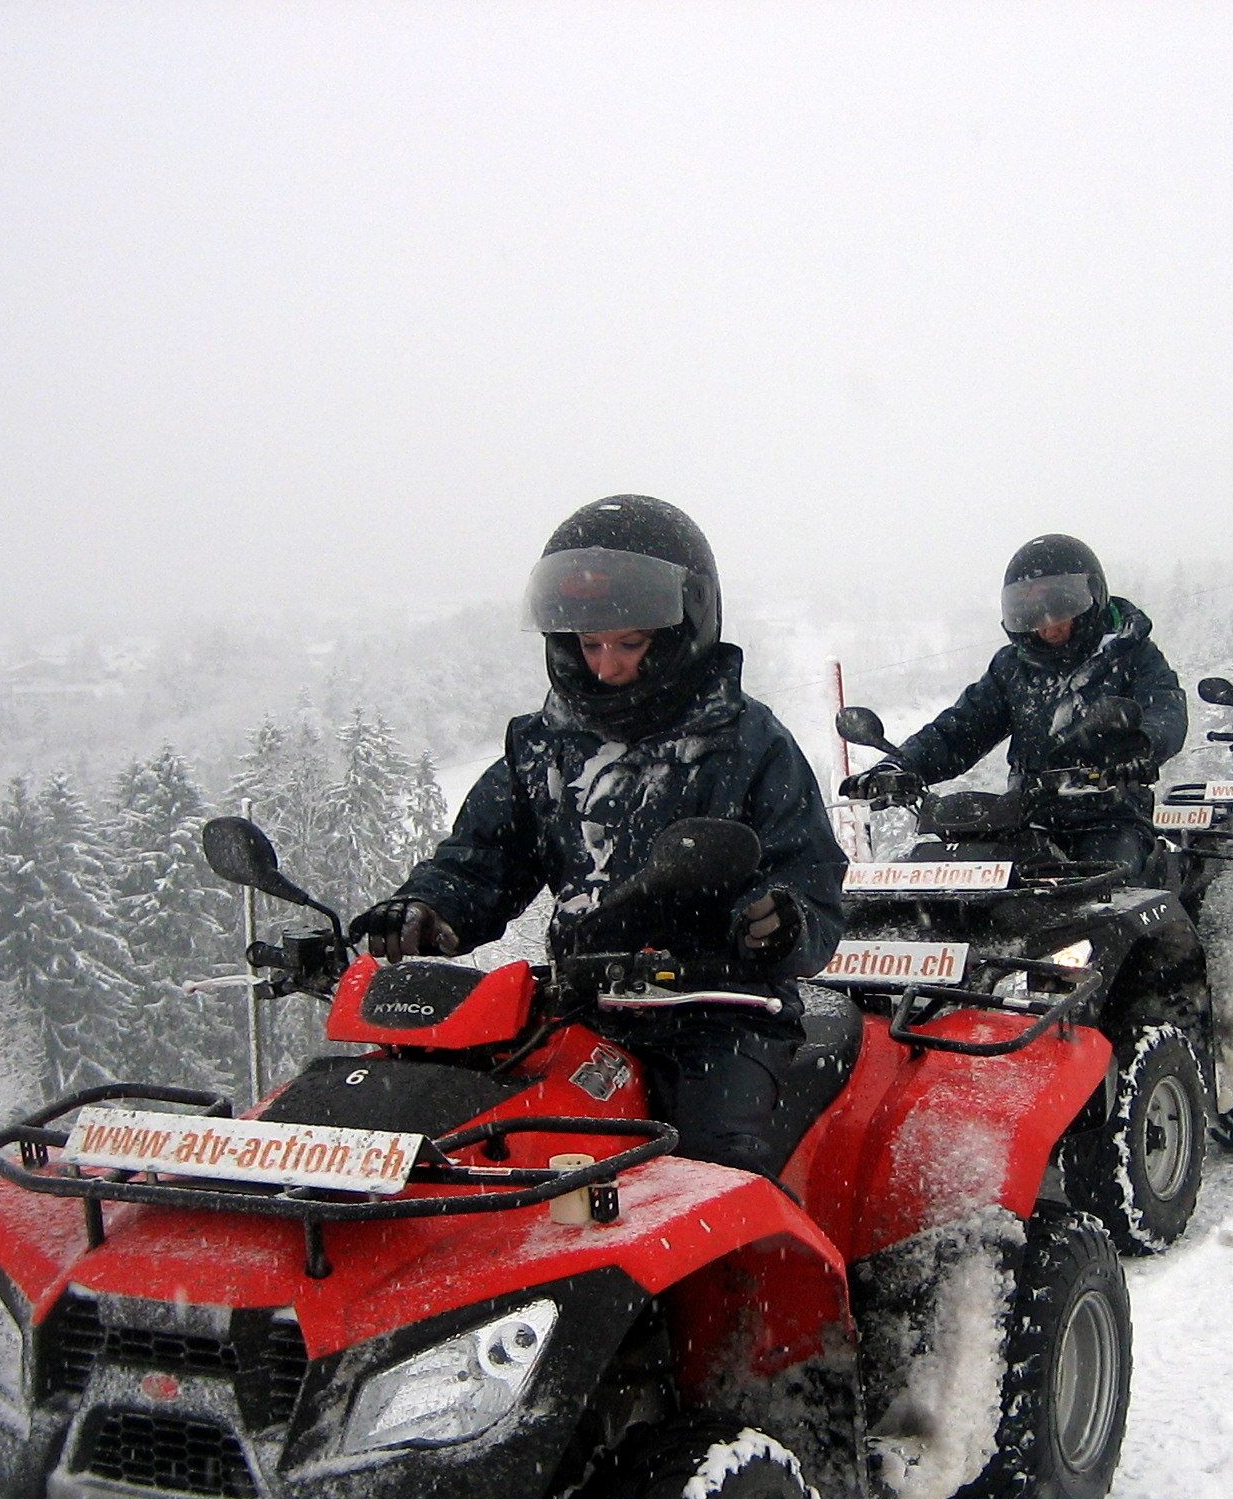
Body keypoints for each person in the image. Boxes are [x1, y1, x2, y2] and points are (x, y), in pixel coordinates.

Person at [354, 494, 847, 1179]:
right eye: (589, 645)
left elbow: (809, 881)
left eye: (629, 643)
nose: (606, 667)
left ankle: (741, 1283)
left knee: (710, 1177)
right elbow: (482, 857)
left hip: (717, 1014)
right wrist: (430, 908)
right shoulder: (543, 747)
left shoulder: (748, 745)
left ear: (682, 632)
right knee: (459, 1135)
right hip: (576, 1005)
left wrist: (775, 922)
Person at [843, 535, 1185, 876]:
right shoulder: (1013, 668)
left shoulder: (1132, 654)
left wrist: (1140, 746)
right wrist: (899, 766)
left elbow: (1166, 710)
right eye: (1031, 612)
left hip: (1109, 818)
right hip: (1024, 819)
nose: (1047, 624)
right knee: (954, 888)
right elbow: (959, 731)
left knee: (1112, 893)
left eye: (1061, 606)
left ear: (1093, 596)